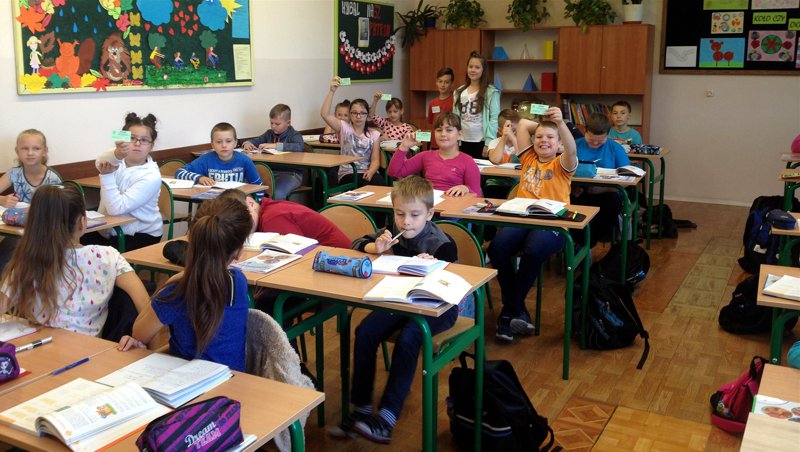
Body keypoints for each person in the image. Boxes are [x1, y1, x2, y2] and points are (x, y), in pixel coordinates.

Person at [346, 175, 458, 443]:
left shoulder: (442, 242)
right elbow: (356, 244)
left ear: (429, 214)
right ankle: (361, 408)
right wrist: (376, 247)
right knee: (365, 331)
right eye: (400, 214)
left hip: (438, 307)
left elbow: (452, 284)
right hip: (399, 300)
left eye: (415, 215)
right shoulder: (392, 231)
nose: (406, 222)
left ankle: (386, 417)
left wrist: (433, 266)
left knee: (409, 338)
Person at [117, 197, 252, 371]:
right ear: (238, 252)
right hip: (234, 381)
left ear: (190, 240)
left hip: (186, 382)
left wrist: (174, 280)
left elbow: (139, 332)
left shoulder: (178, 291)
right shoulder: (239, 282)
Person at [0, 185, 149, 339]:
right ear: (82, 222)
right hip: (92, 350)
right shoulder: (109, 257)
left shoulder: (29, 260)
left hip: (41, 347)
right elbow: (145, 305)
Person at [488, 107, 577, 343]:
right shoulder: (527, 157)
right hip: (522, 216)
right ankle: (517, 308)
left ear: (559, 144)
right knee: (497, 248)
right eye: (539, 137)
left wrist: (560, 124)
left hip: (553, 223)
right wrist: (546, 123)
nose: (543, 141)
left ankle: (507, 312)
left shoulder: (562, 164)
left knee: (534, 250)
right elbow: (524, 123)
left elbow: (571, 149)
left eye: (550, 138)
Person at [84, 112, 162, 251]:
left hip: (140, 234)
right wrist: (118, 154)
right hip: (108, 228)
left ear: (151, 145)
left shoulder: (151, 175)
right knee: (71, 242)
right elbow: (99, 162)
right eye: (132, 138)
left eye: (144, 140)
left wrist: (107, 176)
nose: (137, 144)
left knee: (96, 255)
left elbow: (116, 209)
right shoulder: (117, 158)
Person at [0, 129, 63, 271]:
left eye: (36, 148)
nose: (30, 153)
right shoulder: (14, 173)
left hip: (45, 232)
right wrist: (2, 199)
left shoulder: (52, 178)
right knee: (6, 253)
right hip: (17, 230)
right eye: (24, 148)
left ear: (44, 151)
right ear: (17, 151)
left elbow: (60, 207)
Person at [388, 112, 481, 197]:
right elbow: (394, 172)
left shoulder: (468, 161)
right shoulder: (425, 156)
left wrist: (466, 189)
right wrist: (404, 146)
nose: (443, 134)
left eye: (449, 130)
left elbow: (478, 197)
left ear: (459, 134)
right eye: (439, 130)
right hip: (428, 206)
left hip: (453, 208)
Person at [572, 112, 631, 246]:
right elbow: (562, 172)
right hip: (579, 191)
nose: (595, 143)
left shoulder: (615, 148)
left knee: (613, 204)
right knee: (566, 204)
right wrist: (571, 187)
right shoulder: (575, 145)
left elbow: (627, 179)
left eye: (600, 140)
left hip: (607, 193)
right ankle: (580, 243)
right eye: (591, 139)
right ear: (585, 131)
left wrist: (602, 189)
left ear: (608, 135)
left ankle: (587, 244)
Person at [320, 77, 384, 187]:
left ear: (367, 115)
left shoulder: (374, 134)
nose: (358, 116)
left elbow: (375, 160)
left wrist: (371, 171)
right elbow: (324, 114)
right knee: (361, 184)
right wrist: (331, 91)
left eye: (362, 113)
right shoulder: (344, 128)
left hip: (368, 171)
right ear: (350, 114)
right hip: (348, 173)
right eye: (354, 113)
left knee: (380, 183)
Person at [242, 104, 305, 200]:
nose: (273, 126)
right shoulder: (269, 134)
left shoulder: (294, 135)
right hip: (269, 172)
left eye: (277, 124)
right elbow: (255, 141)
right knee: (248, 187)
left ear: (288, 123)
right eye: (271, 123)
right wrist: (247, 144)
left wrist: (276, 146)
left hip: (290, 174)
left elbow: (299, 147)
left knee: (277, 193)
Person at [175, 122, 262, 187]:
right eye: (218, 142)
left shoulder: (245, 161)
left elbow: (258, 186)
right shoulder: (205, 160)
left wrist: (257, 203)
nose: (224, 145)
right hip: (212, 202)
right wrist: (199, 178)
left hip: (236, 203)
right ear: (212, 144)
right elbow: (179, 173)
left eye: (228, 141)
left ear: (235, 143)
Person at [453, 51, 500, 160]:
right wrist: (455, 141)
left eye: (477, 67)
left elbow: (494, 119)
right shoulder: (458, 92)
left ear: (483, 70)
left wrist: (488, 143)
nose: (473, 70)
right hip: (462, 141)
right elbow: (455, 119)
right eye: (470, 67)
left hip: (482, 142)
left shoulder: (491, 92)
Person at [484, 109, 522, 199]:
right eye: (512, 130)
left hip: (517, 183)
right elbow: (495, 160)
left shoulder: (522, 144)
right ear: (500, 130)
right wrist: (504, 137)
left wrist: (513, 139)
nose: (514, 133)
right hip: (497, 182)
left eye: (517, 130)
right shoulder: (494, 143)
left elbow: (525, 158)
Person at [427, 67, 454, 149]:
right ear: (436, 82)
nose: (443, 85)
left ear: (452, 84)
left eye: (446, 82)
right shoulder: (432, 103)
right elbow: (431, 124)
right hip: (435, 144)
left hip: (450, 144)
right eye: (440, 81)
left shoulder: (455, 102)